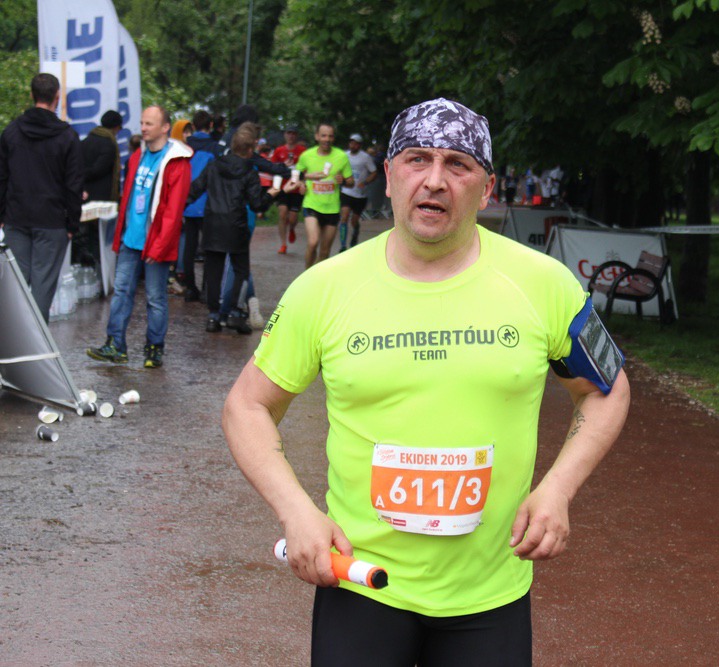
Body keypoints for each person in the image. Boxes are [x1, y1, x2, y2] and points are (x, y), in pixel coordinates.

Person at [222, 98, 630, 665]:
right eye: (417, 159)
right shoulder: (324, 288)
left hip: (490, 593)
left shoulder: (544, 284)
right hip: (361, 582)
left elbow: (606, 390)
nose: (435, 180)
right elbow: (247, 406)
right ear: (388, 176)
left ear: (486, 189)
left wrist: (559, 488)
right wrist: (296, 511)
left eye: (458, 164)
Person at [85, 106, 192, 368]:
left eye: (149, 124)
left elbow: (174, 210)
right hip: (130, 240)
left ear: (165, 127)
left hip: (155, 243)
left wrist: (160, 246)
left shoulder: (177, 162)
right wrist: (121, 235)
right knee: (121, 291)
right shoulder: (136, 157)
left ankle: (154, 348)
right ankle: (115, 344)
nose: (143, 128)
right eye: (142, 123)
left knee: (155, 297)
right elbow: (129, 199)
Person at [0, 73, 83, 322]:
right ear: (57, 97)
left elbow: (2, 177)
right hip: (52, 220)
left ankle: (12, 341)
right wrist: (73, 224)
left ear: (31, 95)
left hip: (16, 217)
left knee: (15, 288)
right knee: (42, 289)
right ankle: (37, 340)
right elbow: (74, 185)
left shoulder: (11, 132)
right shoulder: (68, 136)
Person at [186, 126, 279, 334]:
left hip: (212, 223)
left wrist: (179, 208)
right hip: (236, 225)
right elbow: (257, 204)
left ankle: (213, 316)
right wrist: (272, 194)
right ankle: (234, 313)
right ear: (250, 150)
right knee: (241, 271)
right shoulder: (249, 171)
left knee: (213, 271)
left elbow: (194, 189)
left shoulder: (213, 165)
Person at [295, 121, 353, 268]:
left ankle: (316, 278)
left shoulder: (341, 156)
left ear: (333, 138)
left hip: (332, 208)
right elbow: (296, 175)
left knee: (325, 252)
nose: (327, 139)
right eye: (323, 136)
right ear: (317, 136)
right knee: (313, 242)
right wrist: (301, 184)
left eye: (330, 136)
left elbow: (351, 182)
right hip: (312, 204)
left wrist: (343, 181)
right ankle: (306, 275)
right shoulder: (307, 155)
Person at [180, 110, 220, 302]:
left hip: (188, 201)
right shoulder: (214, 147)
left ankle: (190, 288)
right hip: (207, 203)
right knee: (208, 248)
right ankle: (206, 289)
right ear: (210, 125)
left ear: (194, 126)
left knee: (189, 246)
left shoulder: (185, 147)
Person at [76, 110, 123, 267]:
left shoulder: (86, 140)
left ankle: (87, 265)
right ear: (116, 127)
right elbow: (98, 170)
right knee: (100, 238)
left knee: (86, 236)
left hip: (85, 196)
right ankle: (99, 268)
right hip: (102, 199)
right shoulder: (109, 144)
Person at [270, 124, 307, 254]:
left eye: (293, 133)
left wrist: (304, 183)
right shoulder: (279, 150)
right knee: (282, 213)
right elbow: (272, 167)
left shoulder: (302, 151)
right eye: (289, 133)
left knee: (292, 218)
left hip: (296, 188)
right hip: (283, 188)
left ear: (296, 136)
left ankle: (292, 228)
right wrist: (282, 165)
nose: (291, 136)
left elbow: (307, 169)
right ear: (285, 135)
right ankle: (283, 244)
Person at [338, 132, 378, 251]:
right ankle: (343, 246)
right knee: (344, 217)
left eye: (356, 144)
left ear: (360, 145)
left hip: (360, 195)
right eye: (351, 143)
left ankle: (355, 233)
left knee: (354, 220)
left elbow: (374, 172)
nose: (353, 145)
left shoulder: (365, 157)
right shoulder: (344, 155)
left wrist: (365, 182)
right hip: (346, 191)